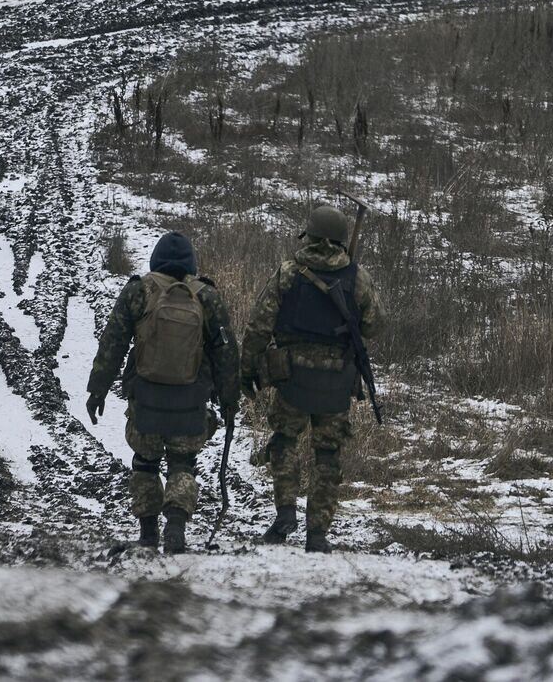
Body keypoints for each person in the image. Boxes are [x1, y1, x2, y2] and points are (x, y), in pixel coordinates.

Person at [239, 205, 384, 553]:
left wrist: (246, 369)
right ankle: (317, 532)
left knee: (285, 441)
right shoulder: (356, 276)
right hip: (336, 380)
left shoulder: (289, 273)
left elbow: (260, 324)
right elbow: (375, 325)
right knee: (328, 453)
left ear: (311, 235)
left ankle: (285, 512)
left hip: (292, 377)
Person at [86, 232, 240, 553]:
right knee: (183, 462)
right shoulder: (206, 297)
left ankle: (147, 533)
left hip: (146, 396)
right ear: (191, 264)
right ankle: (176, 525)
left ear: (155, 259)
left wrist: (97, 390)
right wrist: (228, 399)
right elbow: (226, 353)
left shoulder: (138, 291)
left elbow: (112, 344)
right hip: (190, 397)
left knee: (145, 461)